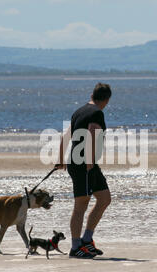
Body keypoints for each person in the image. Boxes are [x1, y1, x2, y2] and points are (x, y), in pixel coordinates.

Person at [56, 83, 112, 259]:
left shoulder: (79, 111)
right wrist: (89, 160)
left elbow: (65, 136)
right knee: (81, 205)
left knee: (104, 199)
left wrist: (60, 158)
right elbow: (93, 132)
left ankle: (87, 240)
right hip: (83, 165)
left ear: (92, 94)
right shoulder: (96, 113)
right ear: (107, 100)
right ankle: (75, 247)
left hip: (85, 164)